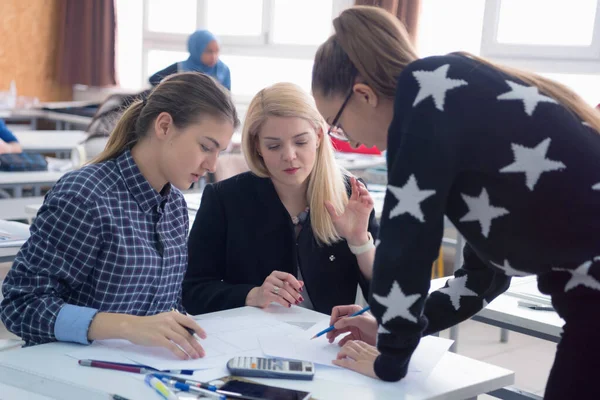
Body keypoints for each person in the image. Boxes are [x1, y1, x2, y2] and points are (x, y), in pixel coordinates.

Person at [311, 6, 600, 399]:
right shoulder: (454, 91)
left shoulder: (424, 98)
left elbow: (405, 247)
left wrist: (390, 360)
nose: (352, 142)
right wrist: (390, 328)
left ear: (363, 95)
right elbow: (483, 278)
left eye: (337, 125)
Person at [0, 72, 239, 361]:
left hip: (139, 373)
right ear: (164, 126)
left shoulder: (174, 206)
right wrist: (125, 326)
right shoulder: (86, 195)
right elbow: (20, 306)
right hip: (65, 373)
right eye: (205, 147)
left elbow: (163, 307)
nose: (212, 164)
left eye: (219, 152)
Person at [183, 82, 379, 316]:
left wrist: (359, 242)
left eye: (300, 142)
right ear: (257, 146)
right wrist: (252, 295)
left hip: (326, 344)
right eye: (274, 146)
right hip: (250, 343)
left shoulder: (349, 194)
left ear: (318, 136)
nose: (289, 156)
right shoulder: (224, 199)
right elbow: (191, 291)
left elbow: (386, 298)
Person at [149, 30, 231, 90]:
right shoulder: (180, 68)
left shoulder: (223, 70)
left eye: (217, 51)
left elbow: (227, 99)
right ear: (196, 50)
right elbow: (153, 80)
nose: (214, 56)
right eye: (208, 51)